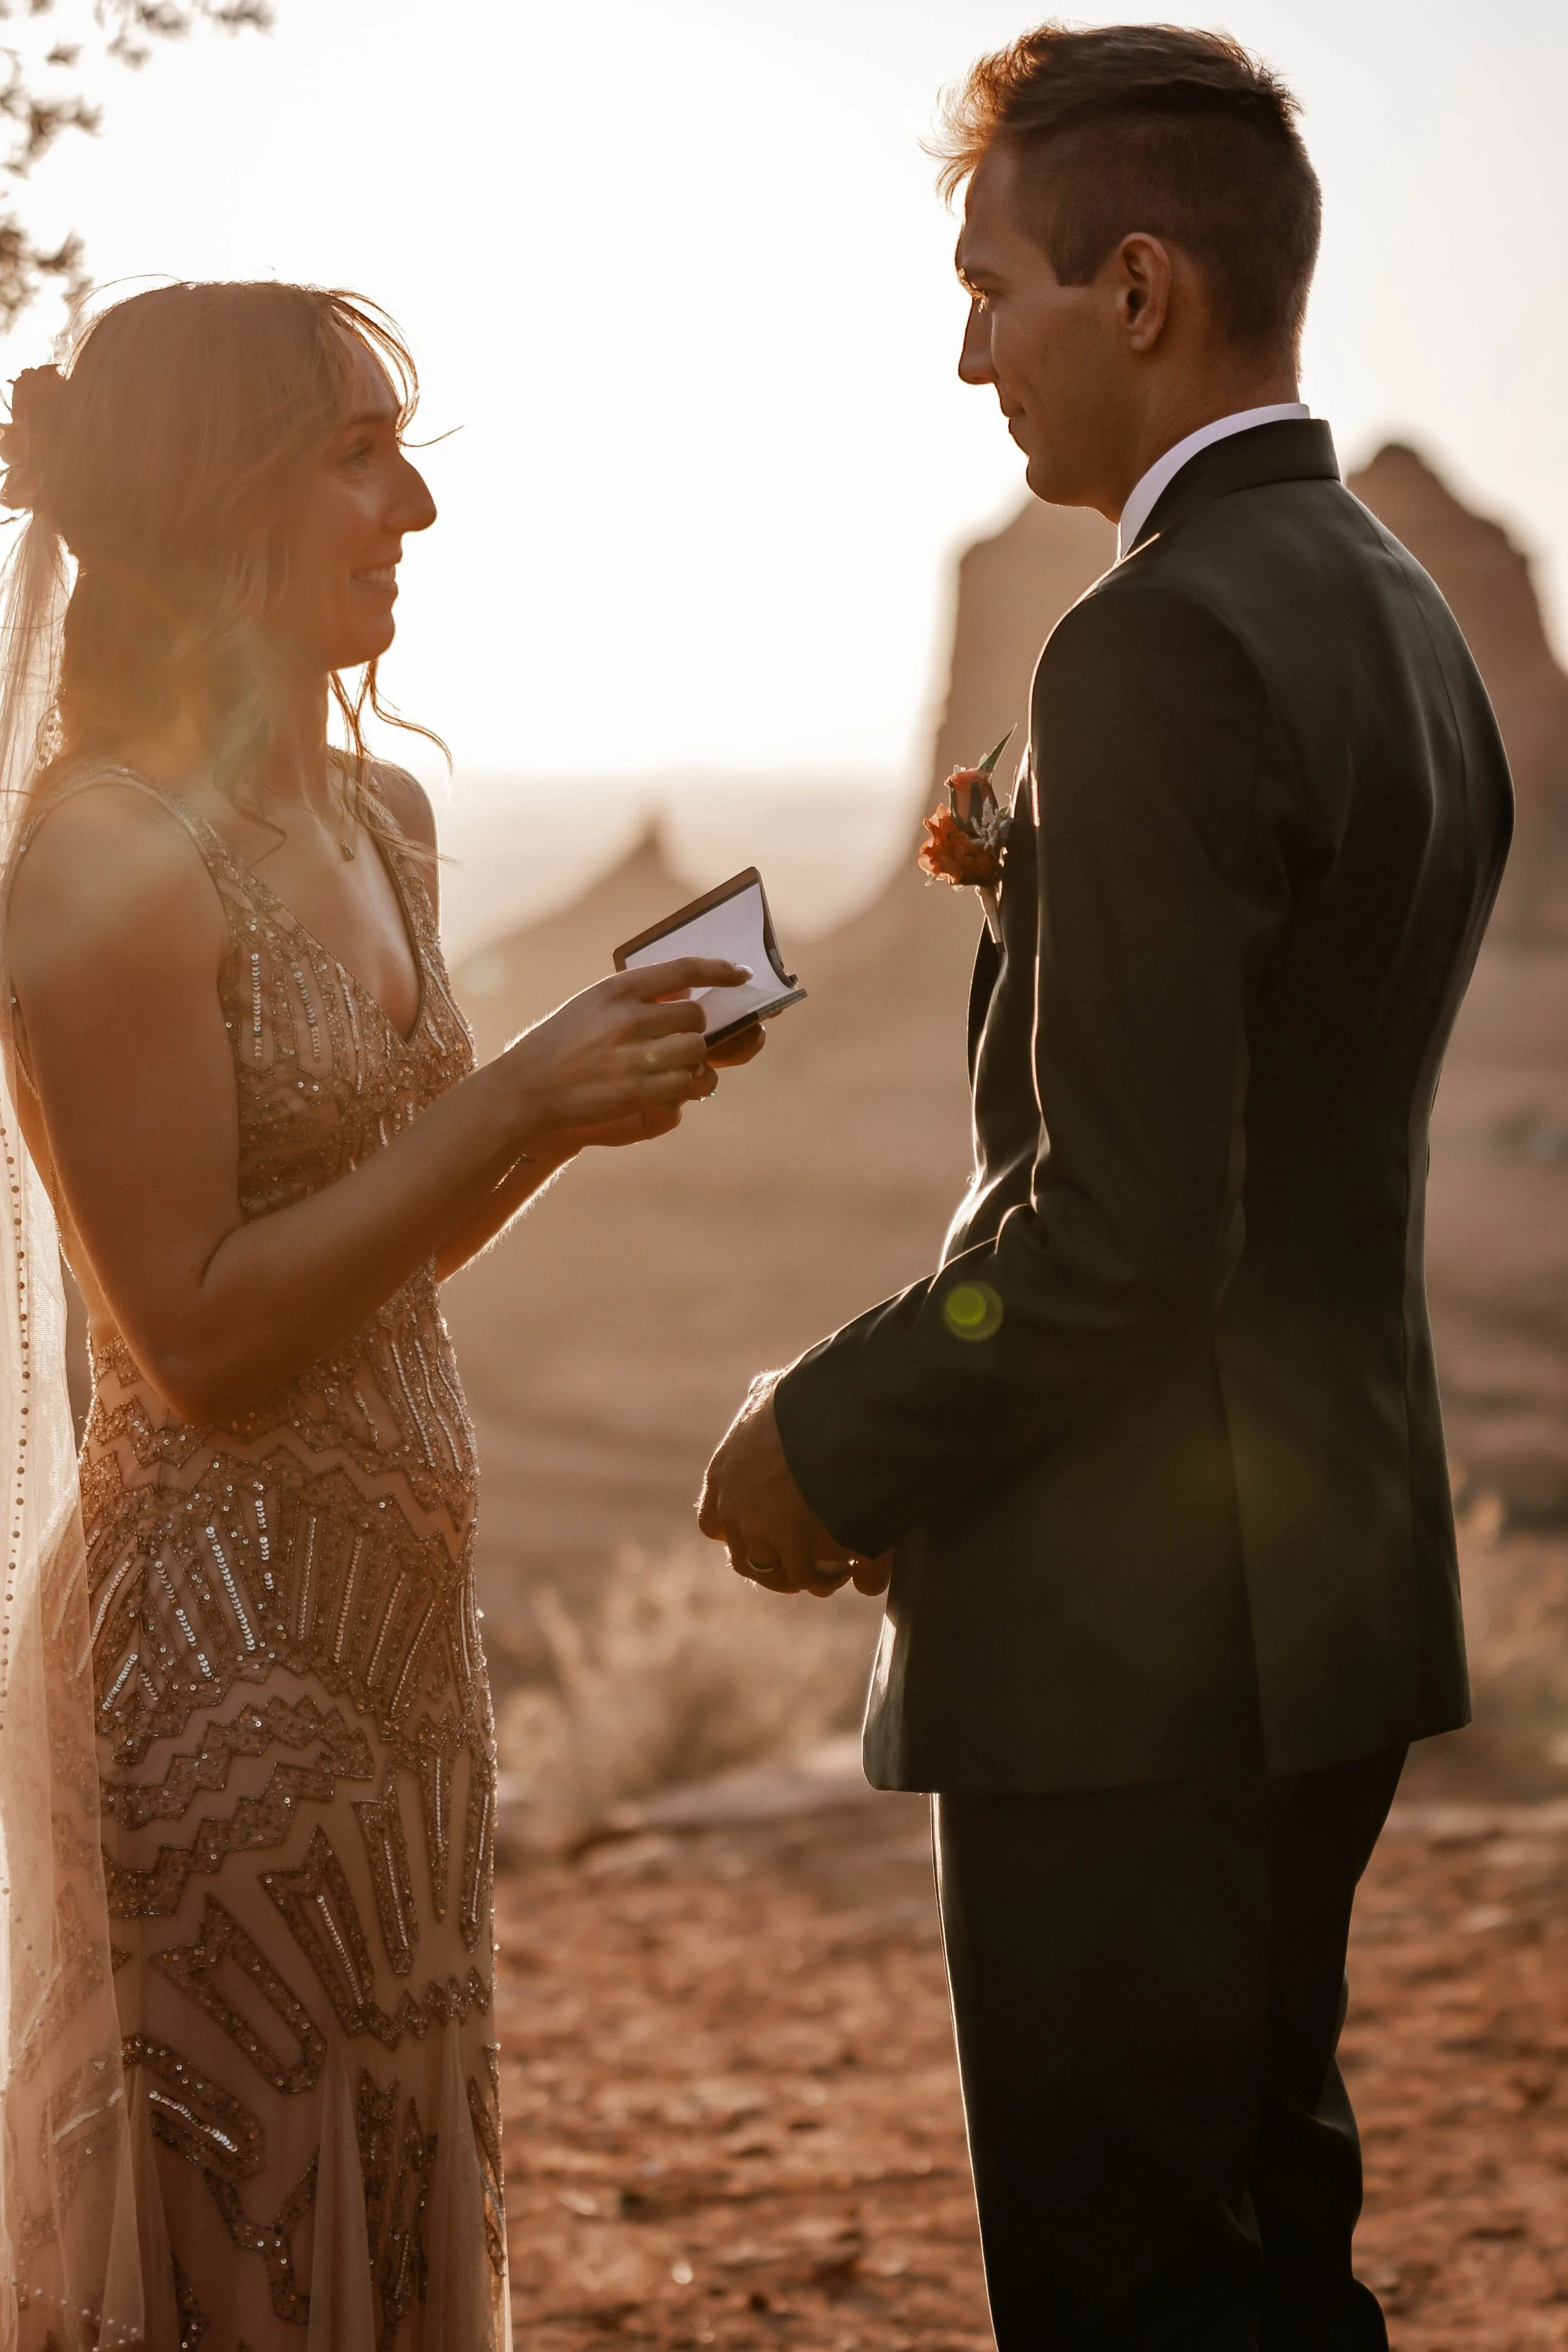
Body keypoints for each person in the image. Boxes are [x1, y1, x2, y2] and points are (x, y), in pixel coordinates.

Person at [700, 22, 1512, 2346]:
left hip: (1127, 1650)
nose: (967, 353)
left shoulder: (1149, 643)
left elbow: (1116, 1232)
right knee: (1265, 2255)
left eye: (993, 289)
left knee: (1127, 2290)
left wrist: (826, 1429)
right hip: (1325, 1595)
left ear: (1136, 289)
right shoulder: (1396, 608)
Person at [0, 280, 760, 2348]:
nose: (409, 503)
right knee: (235, 2232)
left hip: (402, 1668)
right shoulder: (99, 861)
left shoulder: (378, 821)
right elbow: (204, 1339)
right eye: (354, 452)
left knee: (403, 2162)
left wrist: (562, 1123)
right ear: (206, 496)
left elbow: (370, 1268)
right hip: (205, 1685)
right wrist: (507, 1091)